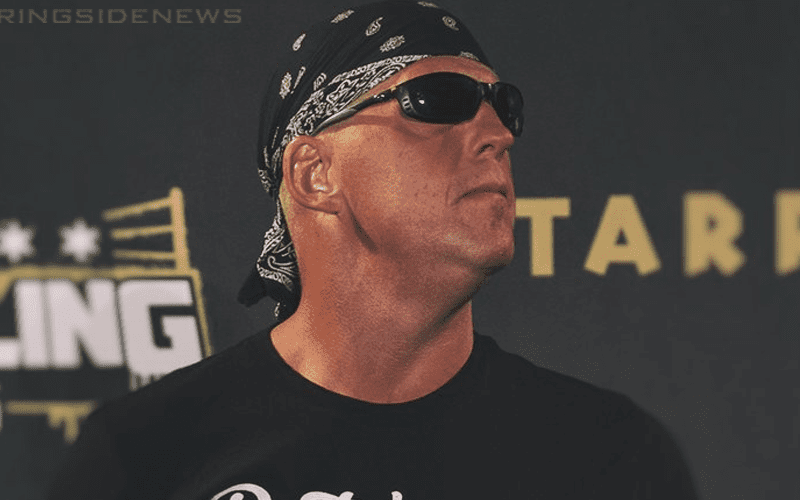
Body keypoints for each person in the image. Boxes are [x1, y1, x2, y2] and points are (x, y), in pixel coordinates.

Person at [48, 2, 699, 499]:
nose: (497, 133)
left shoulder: (609, 456)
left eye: (505, 107)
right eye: (438, 99)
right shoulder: (142, 457)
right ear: (314, 173)